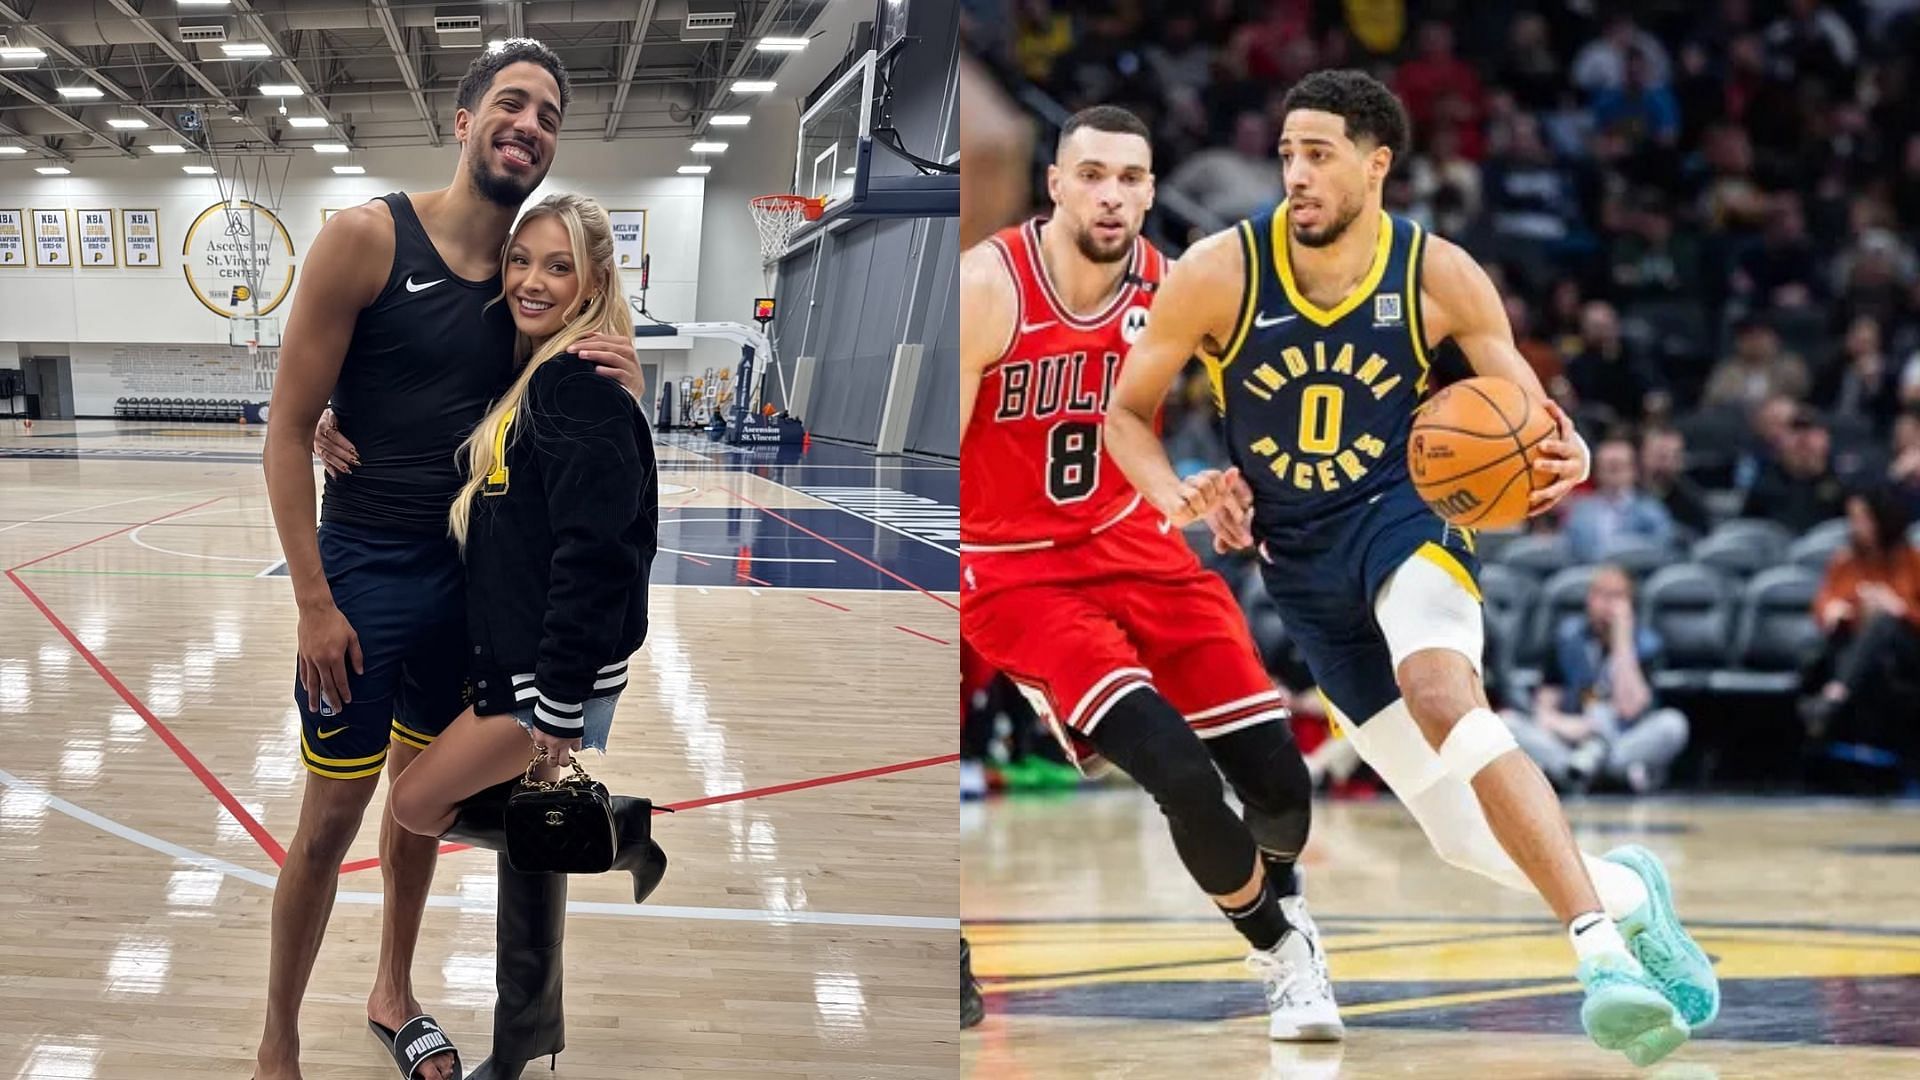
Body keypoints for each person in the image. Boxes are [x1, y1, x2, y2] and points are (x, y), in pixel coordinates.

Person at [1104, 69, 1717, 1067]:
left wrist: (1580, 456)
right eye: (1287, 153)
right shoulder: (1219, 270)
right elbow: (1127, 413)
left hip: (1409, 519)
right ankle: (1633, 894)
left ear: (1376, 162)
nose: (1295, 173)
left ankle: (1602, 957)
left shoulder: (1441, 275)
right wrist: (1182, 493)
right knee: (1462, 841)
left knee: (1440, 687)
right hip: (1300, 566)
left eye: (1319, 153)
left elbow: (1532, 422)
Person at [260, 41, 642, 1080]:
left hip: (467, 595)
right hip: (361, 583)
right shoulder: (362, 238)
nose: (529, 123)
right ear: (464, 119)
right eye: (511, 103)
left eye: (549, 113)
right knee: (331, 817)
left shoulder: (525, 292)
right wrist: (311, 602)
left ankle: (395, 989)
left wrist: (626, 368)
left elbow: (553, 408)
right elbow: (286, 428)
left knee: (418, 804)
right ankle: (277, 1041)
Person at [960, 104, 1342, 1042]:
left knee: (1282, 786)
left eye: (1132, 178)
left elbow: (1258, 395)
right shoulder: (986, 286)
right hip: (1018, 574)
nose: (1112, 195)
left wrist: (1218, 487)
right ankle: (1279, 955)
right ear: (1054, 182)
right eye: (1092, 174)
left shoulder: (1174, 288)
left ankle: (1279, 902)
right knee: (1177, 771)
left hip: (1140, 546)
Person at [385, 193, 663, 879]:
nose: (531, 281)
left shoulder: (573, 387)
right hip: (530, 666)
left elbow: (598, 555)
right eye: (520, 261)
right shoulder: (537, 376)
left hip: (550, 678)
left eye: (558, 267)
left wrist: (560, 705)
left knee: (415, 804)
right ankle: (579, 827)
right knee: (498, 801)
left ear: (592, 284)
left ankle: (616, 835)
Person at [1507, 566, 1690, 794]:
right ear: (1589, 598)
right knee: (1508, 723)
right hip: (1573, 736)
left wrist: (1622, 640)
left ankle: (1579, 774)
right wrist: (1569, 726)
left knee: (1673, 724)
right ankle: (1594, 772)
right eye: (1601, 594)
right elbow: (1543, 711)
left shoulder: (1647, 645)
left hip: (1622, 740)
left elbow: (1629, 709)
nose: (1608, 604)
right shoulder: (1566, 639)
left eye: (1617, 596)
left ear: (1630, 603)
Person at [1800, 488, 1920, 744]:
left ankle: (1835, 695)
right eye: (1852, 518)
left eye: (1862, 518)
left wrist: (1898, 607)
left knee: (1884, 623)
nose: (1855, 526)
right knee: (1840, 639)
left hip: (1909, 650)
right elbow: (1824, 601)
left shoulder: (1912, 560)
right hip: (1863, 651)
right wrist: (1835, 609)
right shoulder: (1845, 560)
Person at [1562, 437, 1676, 562]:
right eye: (1609, 468)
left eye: (1619, 467)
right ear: (1597, 472)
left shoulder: (1651, 509)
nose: (1614, 474)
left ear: (1634, 470)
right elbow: (1571, 552)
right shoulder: (1581, 511)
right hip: (1590, 575)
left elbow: (1663, 548)